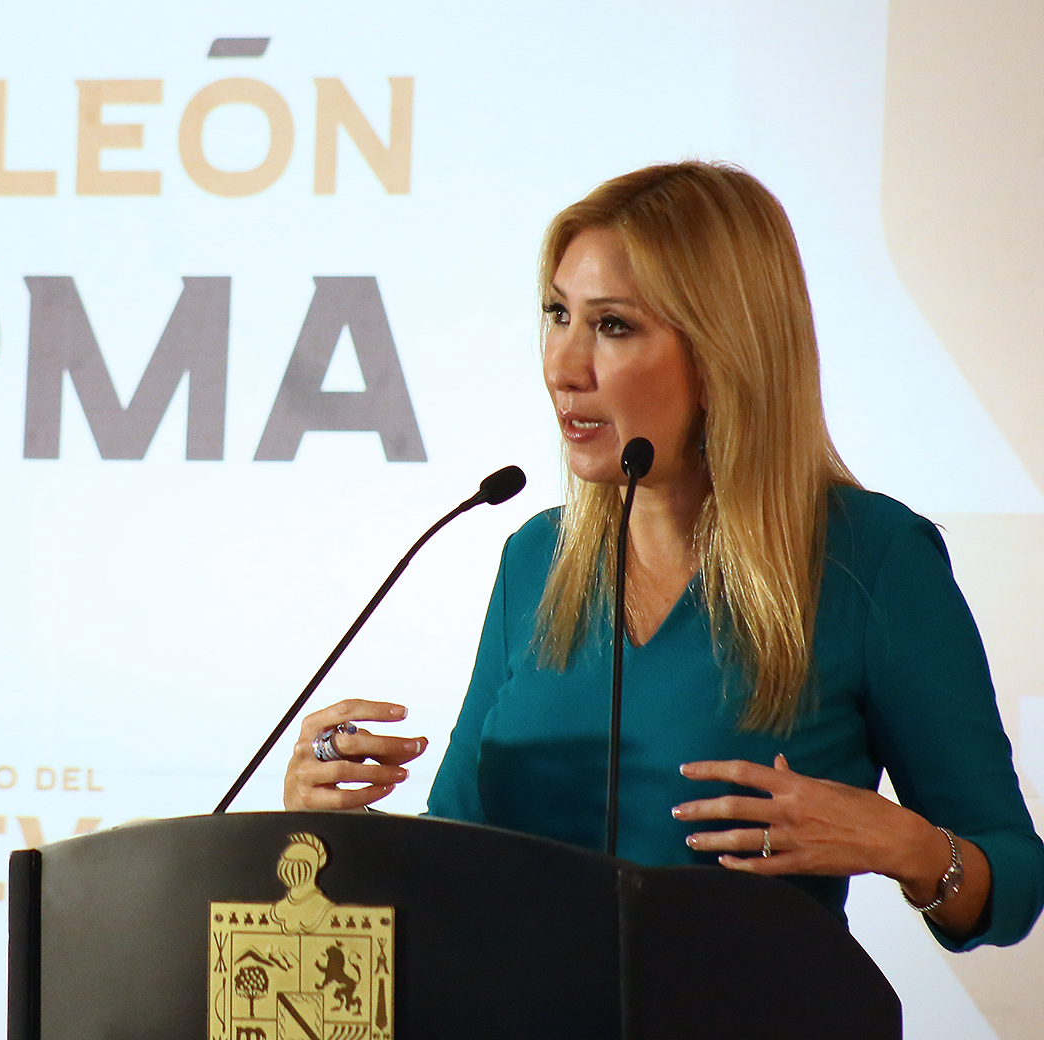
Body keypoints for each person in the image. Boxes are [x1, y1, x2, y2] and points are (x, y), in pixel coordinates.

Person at [281, 161, 1043, 950]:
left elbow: (1014, 880)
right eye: (557, 314)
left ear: (723, 352)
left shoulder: (872, 560)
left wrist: (906, 846)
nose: (563, 367)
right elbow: (459, 848)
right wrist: (329, 826)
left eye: (612, 326)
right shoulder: (536, 560)